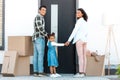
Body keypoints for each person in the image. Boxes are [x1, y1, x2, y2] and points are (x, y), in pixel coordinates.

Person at [65, 8, 88, 78]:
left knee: (80, 57)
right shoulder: (85, 21)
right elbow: (87, 32)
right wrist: (85, 38)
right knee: (84, 57)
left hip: (79, 40)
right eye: (76, 13)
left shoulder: (79, 21)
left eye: (78, 13)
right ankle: (83, 72)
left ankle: (80, 73)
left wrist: (69, 40)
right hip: (85, 40)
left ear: (82, 14)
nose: (77, 14)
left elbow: (74, 31)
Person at [32, 5, 48, 77]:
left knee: (36, 55)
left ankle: (35, 72)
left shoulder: (40, 17)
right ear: (39, 10)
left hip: (36, 38)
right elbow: (40, 28)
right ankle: (40, 72)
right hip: (39, 38)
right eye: (43, 10)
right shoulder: (39, 17)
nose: (44, 11)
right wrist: (47, 35)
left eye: (45, 10)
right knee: (40, 55)